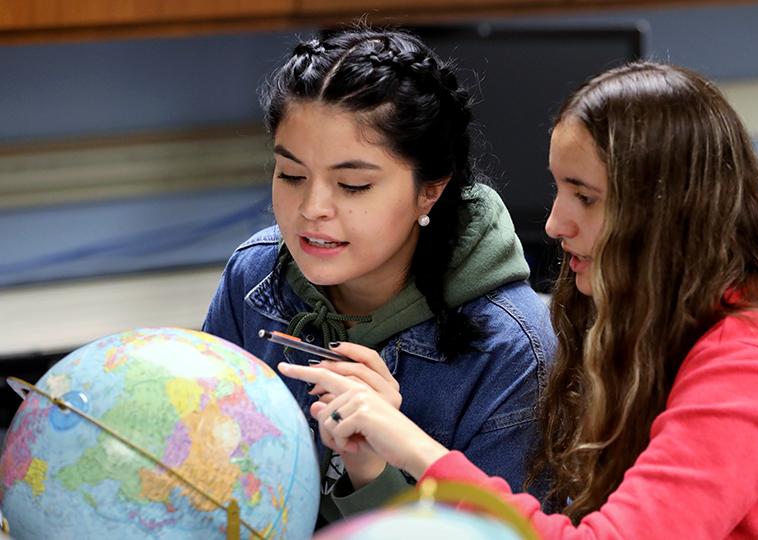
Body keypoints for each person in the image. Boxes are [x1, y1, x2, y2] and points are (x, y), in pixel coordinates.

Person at [279, 61, 758, 539]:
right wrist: (374, 464)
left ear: (666, 212)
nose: (555, 223)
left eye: (586, 198)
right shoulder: (665, 327)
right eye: (558, 189)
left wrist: (410, 447)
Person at [202, 27, 555, 528]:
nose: (312, 209)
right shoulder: (253, 276)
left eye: (353, 185)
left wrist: (372, 470)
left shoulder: (516, 353)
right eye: (291, 175)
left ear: (429, 192)